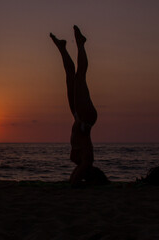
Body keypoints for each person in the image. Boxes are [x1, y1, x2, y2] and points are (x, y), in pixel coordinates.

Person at [50, 25, 108, 186]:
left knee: (70, 77)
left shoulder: (83, 162)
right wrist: (76, 182)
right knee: (79, 77)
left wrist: (75, 181)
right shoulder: (88, 160)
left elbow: (73, 180)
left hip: (78, 117)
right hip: (86, 117)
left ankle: (62, 47)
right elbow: (74, 181)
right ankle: (81, 43)